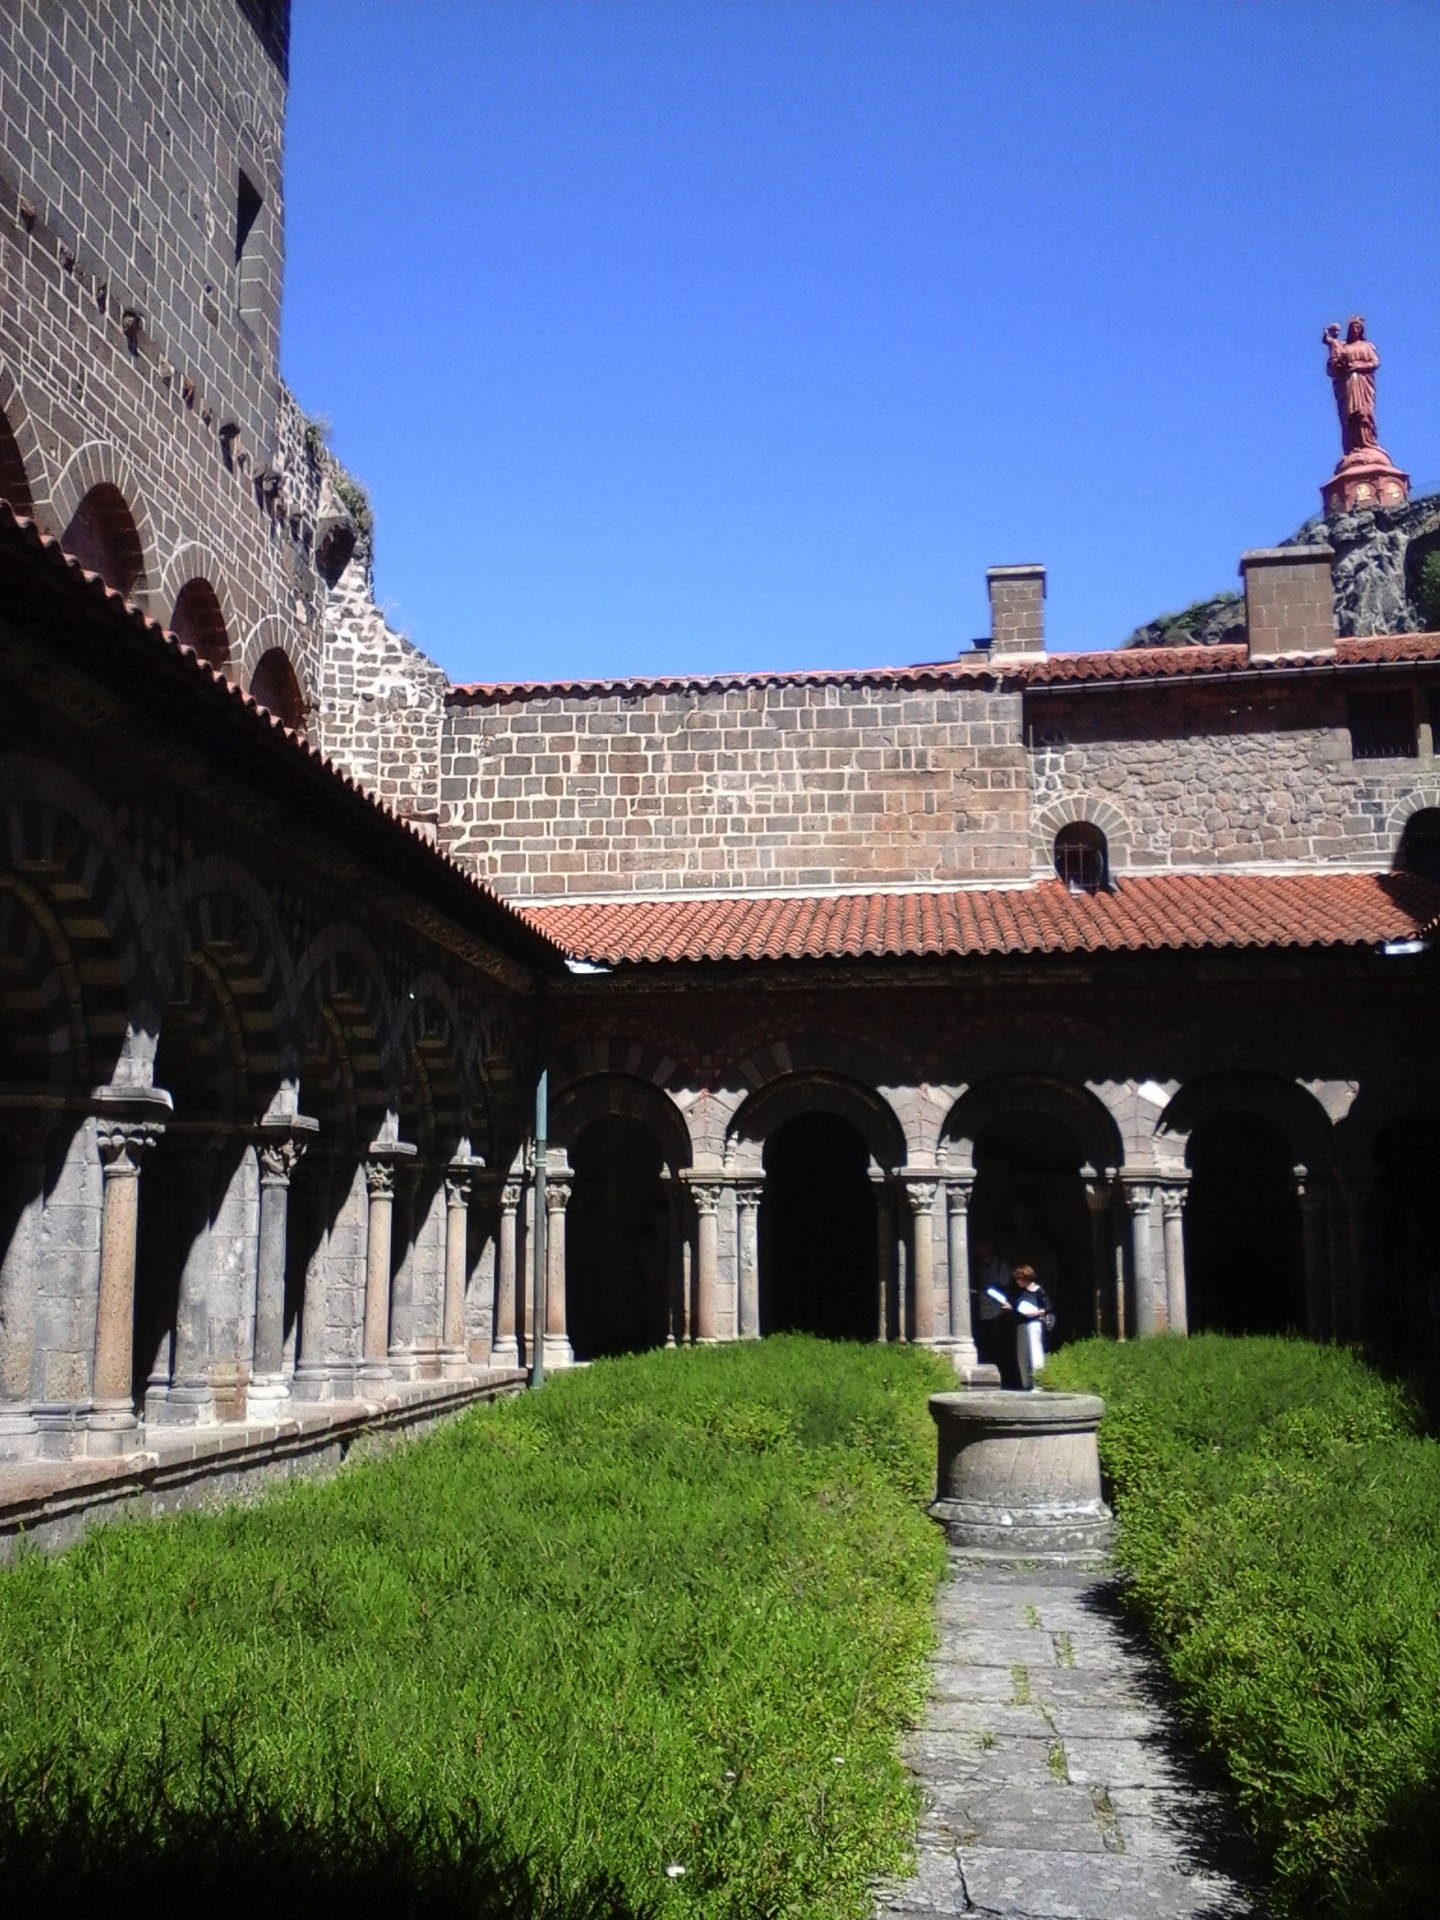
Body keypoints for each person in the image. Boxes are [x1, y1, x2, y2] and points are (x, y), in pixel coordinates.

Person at [1323, 317, 1380, 455]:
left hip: (1363, 384)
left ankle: (1368, 441)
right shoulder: (1344, 347)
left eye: (1359, 327)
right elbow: (1333, 367)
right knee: (1350, 415)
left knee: (1364, 412)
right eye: (1354, 326)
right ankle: (1354, 445)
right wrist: (1332, 344)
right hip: (1348, 384)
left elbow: (1375, 362)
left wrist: (1358, 366)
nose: (1356, 329)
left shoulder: (1367, 346)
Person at [972, 1236, 1015, 1381]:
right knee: (987, 1342)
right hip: (984, 1309)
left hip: (998, 1310)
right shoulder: (980, 1267)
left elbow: (1005, 1285)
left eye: (983, 1248)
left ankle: (1006, 1376)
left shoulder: (1000, 1264)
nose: (980, 1252)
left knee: (1000, 1343)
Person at [1011, 1264, 1056, 1392]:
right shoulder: (1019, 1292)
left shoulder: (1038, 1290)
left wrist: (1036, 1313)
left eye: (1019, 1278)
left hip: (1034, 1323)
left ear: (1026, 1278)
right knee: (1022, 1354)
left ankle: (1038, 1383)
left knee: (1035, 1351)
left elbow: (1048, 1307)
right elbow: (1016, 1306)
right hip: (1021, 1324)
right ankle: (1026, 1383)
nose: (1017, 1281)